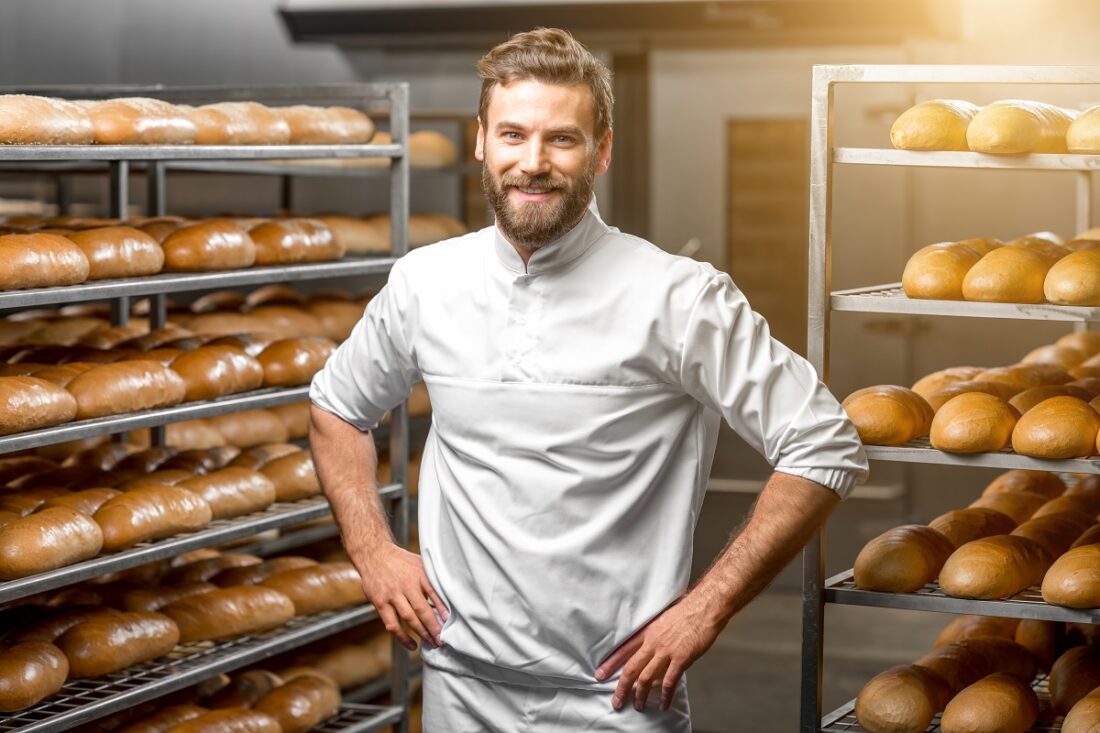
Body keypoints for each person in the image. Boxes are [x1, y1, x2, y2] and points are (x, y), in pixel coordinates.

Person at [309, 27, 867, 732]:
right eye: (512, 134)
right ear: (481, 141)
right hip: (457, 686)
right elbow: (336, 408)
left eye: (561, 140)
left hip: (616, 700)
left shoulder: (678, 296)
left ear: (601, 151)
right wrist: (371, 549)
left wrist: (706, 606)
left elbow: (824, 444)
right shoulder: (427, 283)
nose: (532, 163)